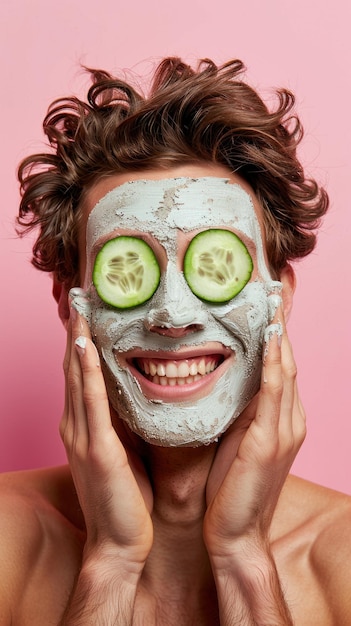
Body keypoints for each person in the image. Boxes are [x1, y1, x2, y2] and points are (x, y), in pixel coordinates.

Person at [1, 57, 350, 626]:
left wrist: (244, 558)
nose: (172, 314)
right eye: (127, 270)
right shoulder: (7, 540)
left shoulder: (341, 559)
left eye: (215, 264)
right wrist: (110, 562)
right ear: (70, 302)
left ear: (278, 297)